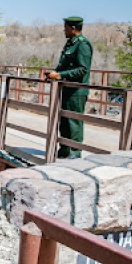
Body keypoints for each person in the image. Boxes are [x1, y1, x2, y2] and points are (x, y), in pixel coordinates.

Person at [46, 16, 93, 158]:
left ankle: (75, 152)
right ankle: (65, 150)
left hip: (76, 91)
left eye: (65, 27)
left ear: (73, 28)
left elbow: (82, 69)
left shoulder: (82, 44)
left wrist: (60, 75)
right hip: (66, 89)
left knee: (74, 122)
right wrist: (53, 74)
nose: (63, 30)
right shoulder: (70, 44)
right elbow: (64, 65)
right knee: (64, 121)